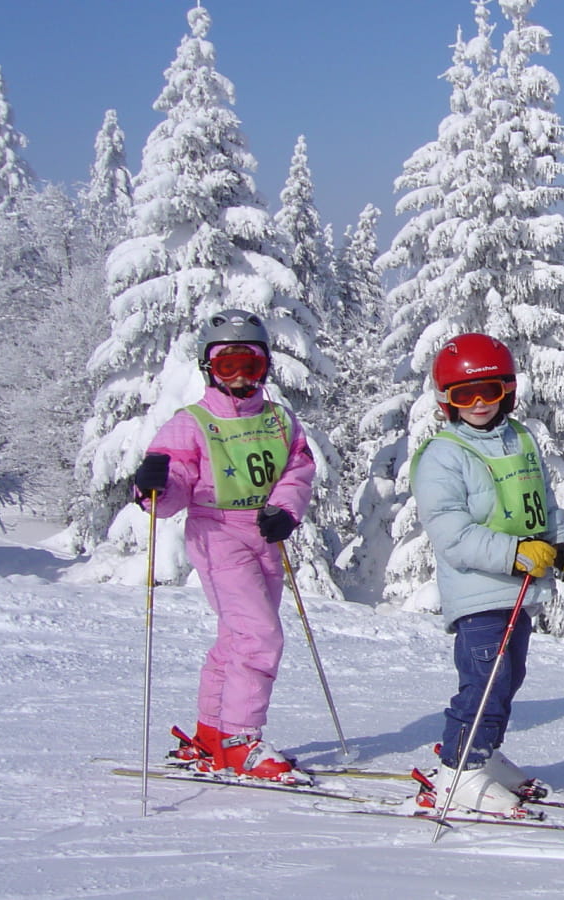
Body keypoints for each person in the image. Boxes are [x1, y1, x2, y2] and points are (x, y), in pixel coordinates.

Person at [402, 333, 564, 817]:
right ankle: (458, 772)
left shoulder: (521, 438)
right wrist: (518, 552)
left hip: (520, 587)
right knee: (485, 680)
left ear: (509, 391)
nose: (479, 404)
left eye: (490, 392)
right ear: (447, 401)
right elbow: (453, 535)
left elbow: (540, 504)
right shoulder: (443, 454)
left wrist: (561, 544)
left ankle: (483, 754)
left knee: (508, 678)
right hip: (479, 589)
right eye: (464, 395)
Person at [132, 309, 316, 783]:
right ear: (207, 368)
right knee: (260, 635)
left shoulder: (280, 420)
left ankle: (211, 735)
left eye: (249, 366)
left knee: (238, 638)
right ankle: (240, 740)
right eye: (226, 366)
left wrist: (285, 508)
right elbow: (171, 488)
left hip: (265, 534)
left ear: (266, 367)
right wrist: (152, 486)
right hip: (217, 533)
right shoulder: (191, 422)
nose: (238, 377)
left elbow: (298, 468)